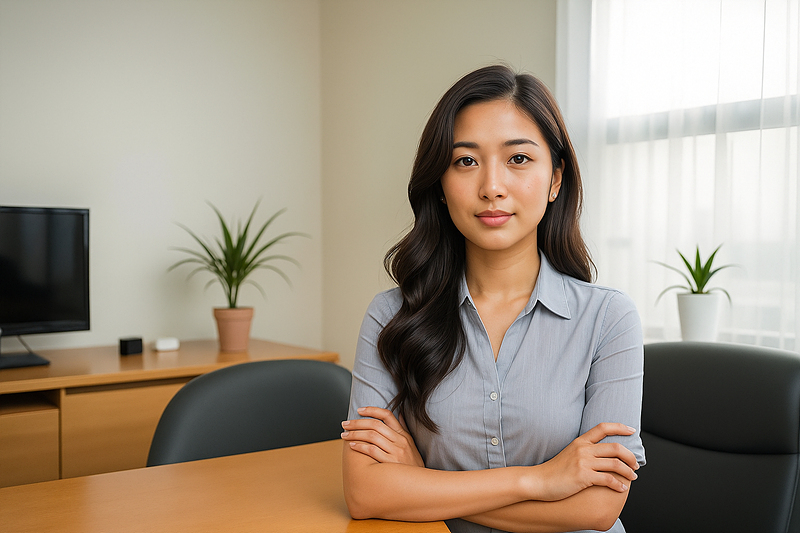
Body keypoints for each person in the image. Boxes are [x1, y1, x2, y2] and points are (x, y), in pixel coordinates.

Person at [341, 64, 645, 533]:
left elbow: (597, 509)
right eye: (466, 161)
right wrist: (540, 480)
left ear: (556, 180)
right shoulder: (391, 317)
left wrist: (421, 482)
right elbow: (365, 493)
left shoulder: (608, 319)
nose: (491, 188)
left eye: (518, 159)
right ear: (440, 185)